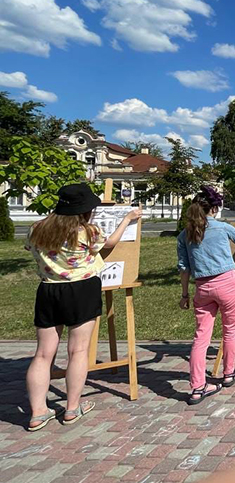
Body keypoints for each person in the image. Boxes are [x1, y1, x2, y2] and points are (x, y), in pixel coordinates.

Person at [24, 183, 141, 431]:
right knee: (78, 351)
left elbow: (30, 248)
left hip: (48, 290)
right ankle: (72, 407)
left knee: (43, 354)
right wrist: (127, 219)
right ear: (84, 210)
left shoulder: (36, 229)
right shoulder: (88, 232)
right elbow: (110, 243)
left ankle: (37, 412)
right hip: (82, 290)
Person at [177, 186, 235, 405]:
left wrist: (184, 294)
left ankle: (197, 387)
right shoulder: (223, 227)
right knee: (230, 330)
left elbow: (184, 268)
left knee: (201, 337)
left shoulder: (185, 234)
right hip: (228, 283)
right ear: (213, 209)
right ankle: (229, 372)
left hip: (202, 287)